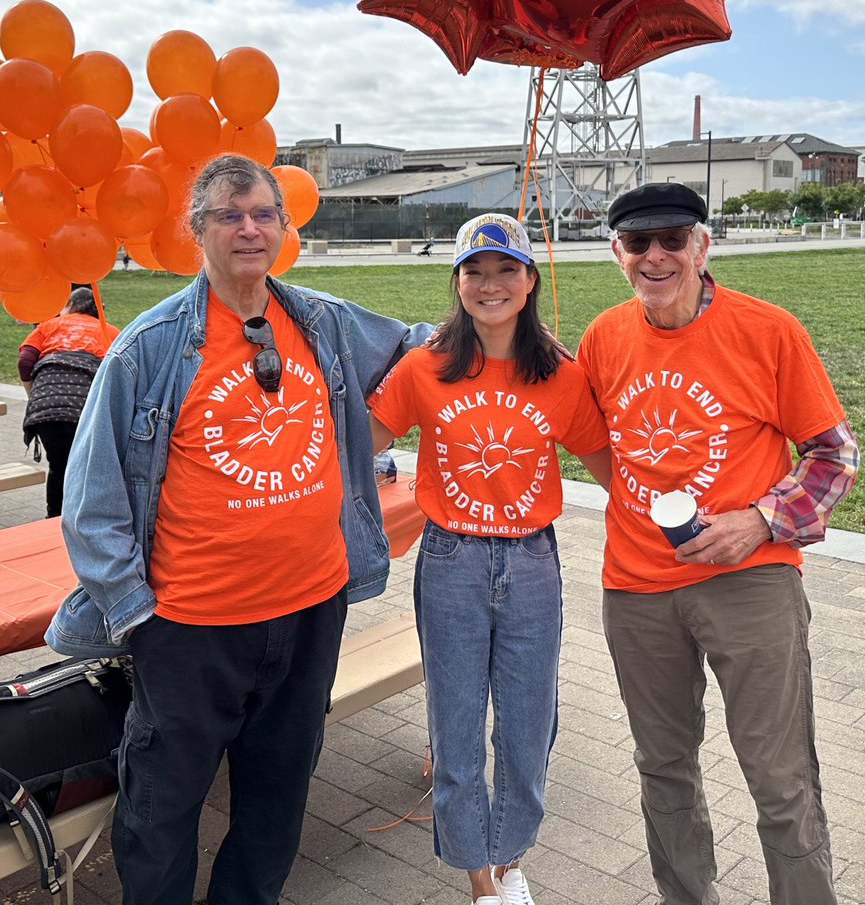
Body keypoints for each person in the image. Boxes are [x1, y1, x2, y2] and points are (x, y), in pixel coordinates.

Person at [46, 153, 431, 905]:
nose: (248, 229)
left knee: (276, 800)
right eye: (229, 214)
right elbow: (91, 504)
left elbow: (426, 345)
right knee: (162, 809)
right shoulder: (149, 347)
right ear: (199, 231)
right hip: (190, 627)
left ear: (284, 228)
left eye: (262, 214)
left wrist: (510, 326)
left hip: (312, 610)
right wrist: (137, 614)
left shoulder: (323, 322)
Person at [577, 182, 860, 905]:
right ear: (617, 253)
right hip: (635, 590)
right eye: (638, 243)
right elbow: (593, 443)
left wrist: (761, 520)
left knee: (779, 776)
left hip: (750, 582)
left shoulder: (767, 330)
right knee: (661, 766)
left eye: (673, 238)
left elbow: (832, 454)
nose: (656, 255)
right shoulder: (603, 336)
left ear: (703, 246)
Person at [368, 213, 612, 905]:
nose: (490, 283)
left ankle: (509, 859)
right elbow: (362, 439)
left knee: (530, 724)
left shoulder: (560, 374)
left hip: (532, 562)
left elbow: (612, 469)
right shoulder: (426, 365)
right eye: (474, 270)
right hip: (451, 562)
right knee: (455, 728)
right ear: (457, 282)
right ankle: (480, 882)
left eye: (506, 269)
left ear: (530, 280)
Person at [18, 287, 120, 518]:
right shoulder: (109, 331)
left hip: (46, 406)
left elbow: (25, 361)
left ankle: (54, 519)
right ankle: (86, 520)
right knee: (87, 467)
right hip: (86, 407)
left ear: (71, 306)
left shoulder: (47, 326)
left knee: (58, 465)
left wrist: (32, 395)